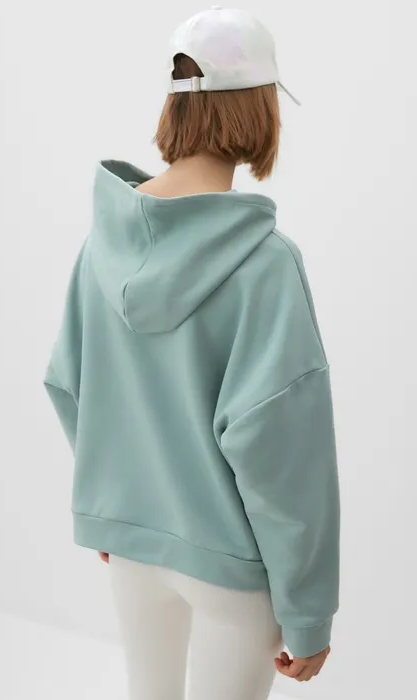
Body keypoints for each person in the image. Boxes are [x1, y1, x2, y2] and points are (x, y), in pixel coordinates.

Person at [43, 7, 340, 700]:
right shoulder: (265, 264)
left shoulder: (101, 244)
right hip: (231, 569)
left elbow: (68, 383)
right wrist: (308, 612)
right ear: (262, 109)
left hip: (133, 549)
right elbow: (282, 447)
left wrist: (113, 503)